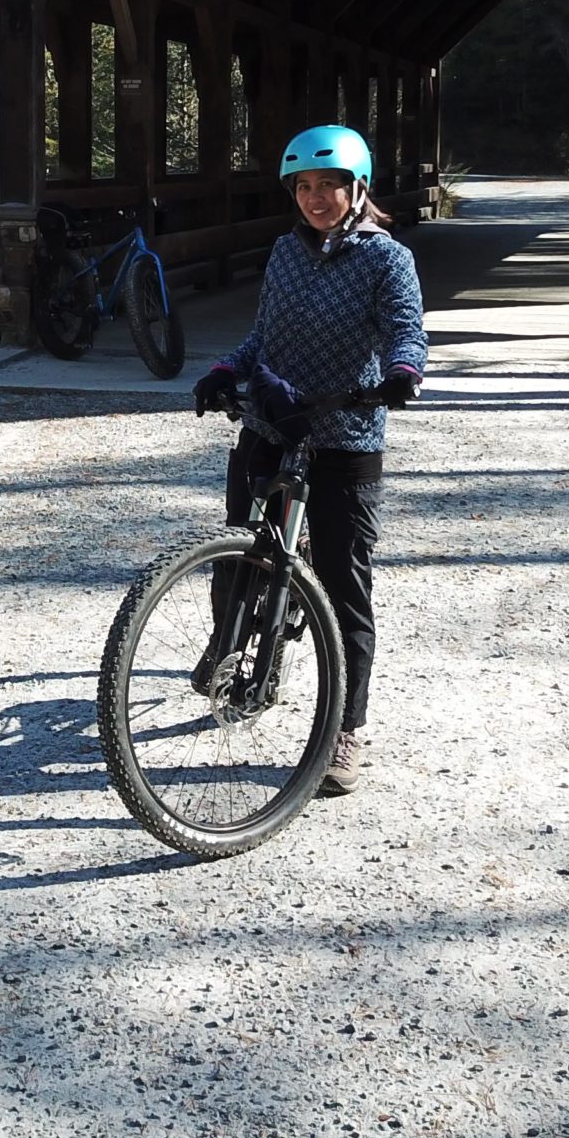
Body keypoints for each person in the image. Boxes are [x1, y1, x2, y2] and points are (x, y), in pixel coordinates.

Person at [191, 124, 426, 798]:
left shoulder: (387, 260)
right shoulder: (284, 253)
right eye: (304, 186)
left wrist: (405, 369)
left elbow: (407, 327)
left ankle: (346, 728)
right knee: (240, 548)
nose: (316, 198)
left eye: (329, 186)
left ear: (357, 190)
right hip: (272, 420)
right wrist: (226, 368)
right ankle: (230, 644)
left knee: (343, 582)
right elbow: (261, 335)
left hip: (344, 430)